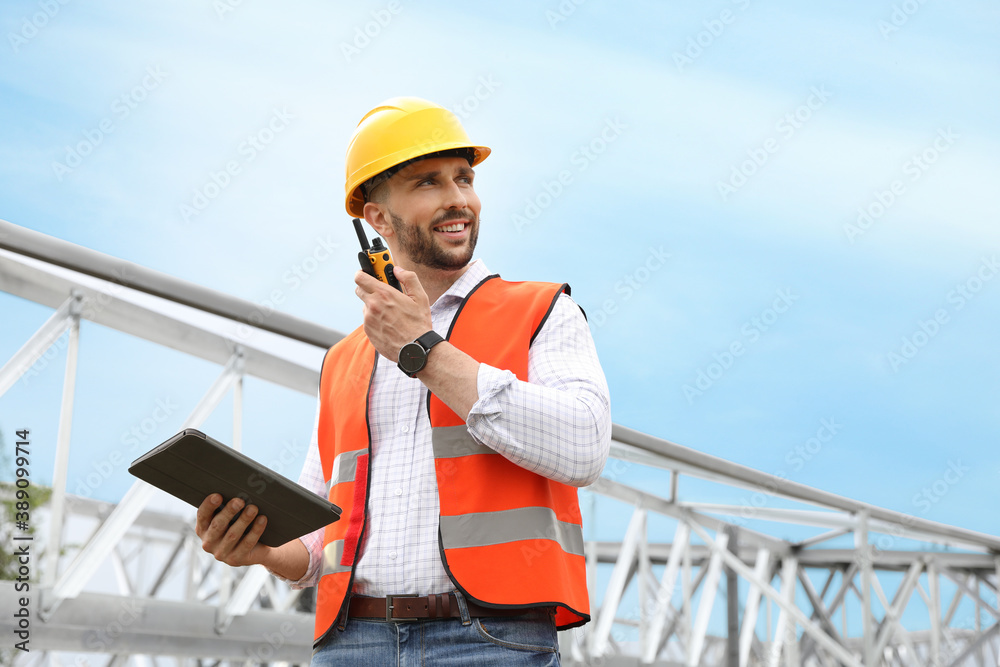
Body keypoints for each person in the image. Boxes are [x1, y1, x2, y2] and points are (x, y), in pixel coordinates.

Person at [195, 97, 611, 665]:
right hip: (353, 641)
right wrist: (265, 550)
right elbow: (321, 540)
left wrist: (426, 353)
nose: (458, 198)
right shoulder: (343, 359)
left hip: (490, 641)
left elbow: (584, 448)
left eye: (464, 178)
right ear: (377, 219)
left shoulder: (542, 312)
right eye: (428, 183)